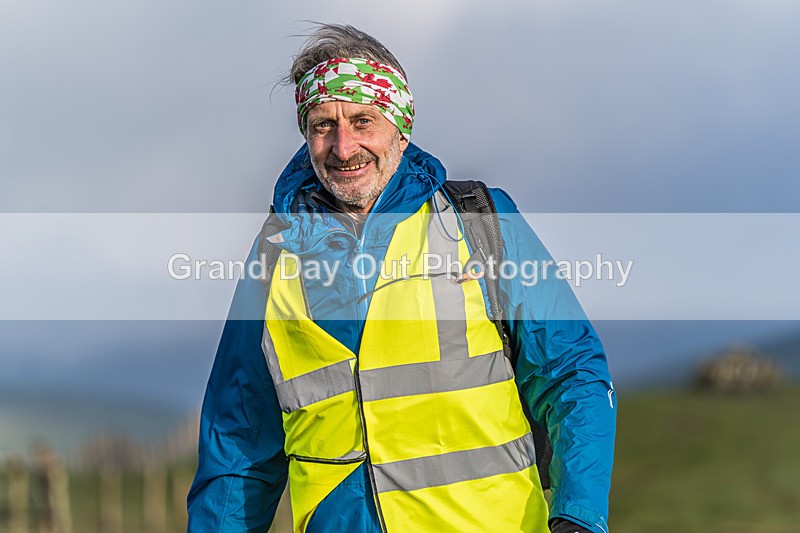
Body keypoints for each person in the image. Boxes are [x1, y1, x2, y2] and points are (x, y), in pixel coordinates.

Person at [187, 24, 616, 533]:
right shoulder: (275, 256)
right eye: (323, 125)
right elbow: (237, 445)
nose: (343, 147)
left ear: (400, 126)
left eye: (363, 121)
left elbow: (572, 374)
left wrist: (579, 516)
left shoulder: (479, 222)